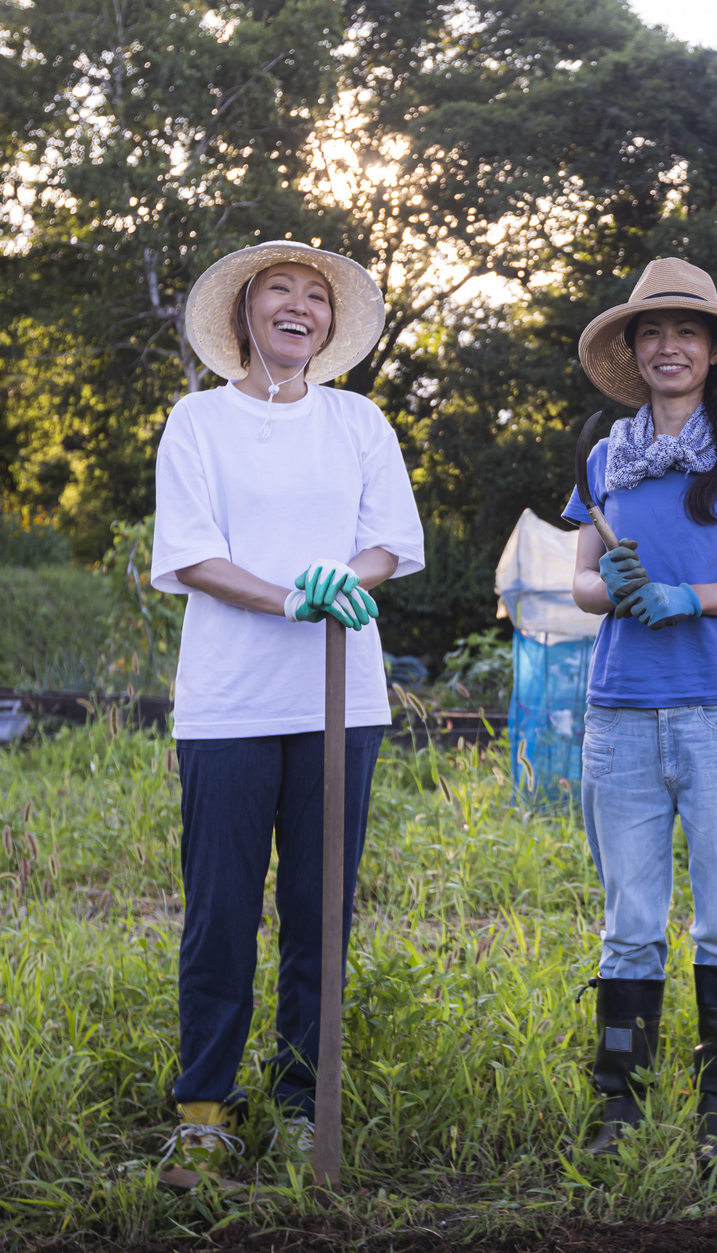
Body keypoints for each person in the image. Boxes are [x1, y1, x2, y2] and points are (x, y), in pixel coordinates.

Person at [149, 240, 425, 1171]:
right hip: (228, 705)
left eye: (316, 296)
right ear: (246, 313)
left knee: (320, 911)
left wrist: (341, 577)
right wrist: (289, 596)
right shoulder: (197, 423)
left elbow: (387, 541)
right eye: (280, 291)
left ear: (330, 325)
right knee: (220, 912)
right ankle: (203, 1110)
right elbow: (190, 554)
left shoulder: (359, 423)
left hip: (340, 702)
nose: (298, 306)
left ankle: (305, 1100)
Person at [562, 257, 717, 1179]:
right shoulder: (601, 454)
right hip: (619, 717)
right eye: (650, 332)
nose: (667, 346)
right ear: (632, 349)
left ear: (714, 352)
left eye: (685, 332)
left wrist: (688, 597)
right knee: (629, 923)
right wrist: (608, 589)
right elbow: (580, 580)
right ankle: (617, 1103)